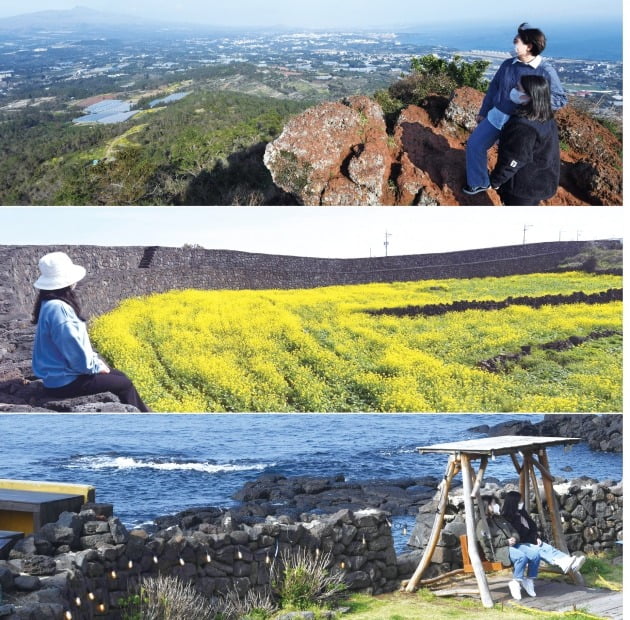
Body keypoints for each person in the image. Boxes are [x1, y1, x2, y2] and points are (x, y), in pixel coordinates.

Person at [32, 251, 150, 412]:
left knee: (120, 375)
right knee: (124, 385)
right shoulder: (60, 309)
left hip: (56, 378)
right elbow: (75, 353)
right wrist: (95, 367)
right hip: (65, 382)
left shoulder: (48, 303)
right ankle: (148, 422)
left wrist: (97, 364)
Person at [463, 22, 566, 196]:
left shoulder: (545, 71)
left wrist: (533, 103)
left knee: (510, 157)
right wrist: (483, 111)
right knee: (474, 145)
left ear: (529, 46)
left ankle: (505, 189)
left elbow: (560, 99)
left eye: (517, 41)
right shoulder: (508, 64)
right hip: (496, 116)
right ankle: (479, 182)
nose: (514, 43)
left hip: (520, 124)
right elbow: (494, 88)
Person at [489, 75, 560, 205]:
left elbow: (514, 160)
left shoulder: (523, 125)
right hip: (541, 179)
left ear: (529, 95)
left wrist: (495, 181)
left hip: (522, 187)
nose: (514, 90)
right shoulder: (545, 116)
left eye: (518, 88)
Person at [501, 490, 586, 573]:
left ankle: (568, 561)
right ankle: (563, 563)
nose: (522, 503)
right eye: (520, 501)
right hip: (518, 546)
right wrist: (518, 520)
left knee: (547, 547)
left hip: (529, 541)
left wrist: (536, 537)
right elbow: (517, 535)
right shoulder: (507, 519)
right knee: (538, 550)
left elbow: (532, 527)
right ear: (513, 503)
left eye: (521, 501)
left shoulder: (522, 513)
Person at [476, 495, 540, 600]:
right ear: (486, 506)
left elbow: (513, 530)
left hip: (512, 546)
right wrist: (506, 542)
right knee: (521, 557)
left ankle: (528, 580)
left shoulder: (500, 518)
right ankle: (516, 582)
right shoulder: (482, 524)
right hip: (498, 551)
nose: (496, 505)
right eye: (493, 504)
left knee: (535, 554)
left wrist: (514, 538)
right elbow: (487, 542)